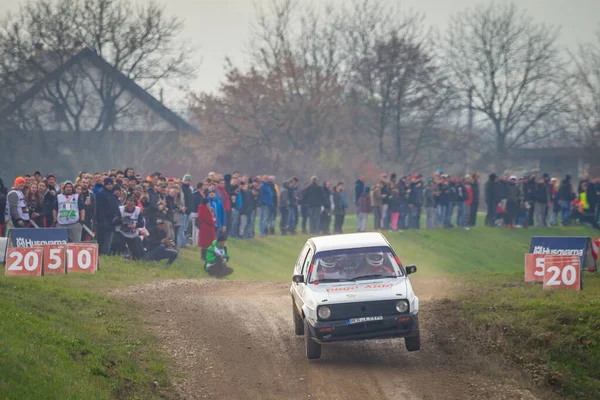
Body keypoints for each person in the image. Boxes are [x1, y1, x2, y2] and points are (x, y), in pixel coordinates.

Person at [95, 178, 121, 255]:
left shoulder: (112, 195)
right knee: (104, 240)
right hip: (104, 221)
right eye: (108, 184)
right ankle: (102, 254)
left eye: (111, 184)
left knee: (108, 240)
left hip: (112, 221)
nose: (110, 186)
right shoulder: (101, 194)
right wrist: (103, 221)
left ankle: (105, 254)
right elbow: (100, 209)